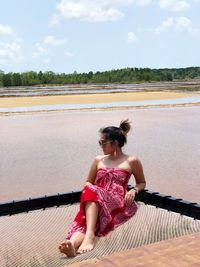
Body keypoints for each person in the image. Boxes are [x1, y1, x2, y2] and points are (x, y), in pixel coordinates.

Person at [59, 119, 146, 257]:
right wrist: (90, 190)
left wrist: (134, 190)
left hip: (116, 201)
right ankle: (73, 245)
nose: (101, 146)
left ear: (115, 143)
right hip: (96, 200)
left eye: (103, 143)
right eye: (100, 143)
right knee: (87, 222)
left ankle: (87, 238)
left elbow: (142, 182)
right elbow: (88, 181)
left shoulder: (132, 161)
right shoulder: (98, 160)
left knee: (92, 194)